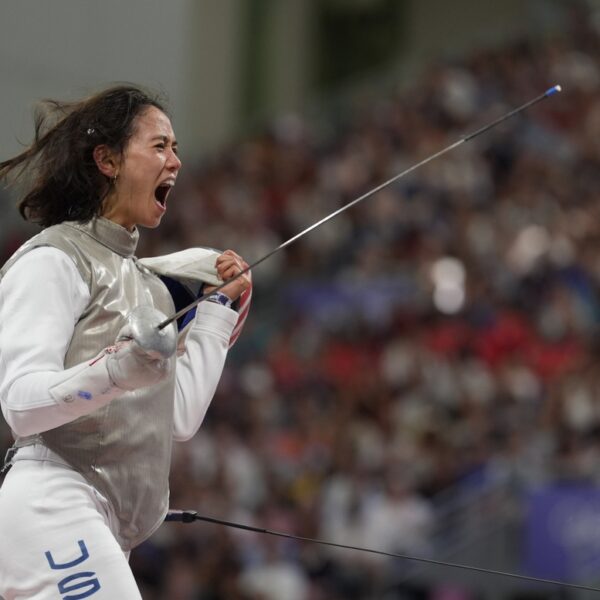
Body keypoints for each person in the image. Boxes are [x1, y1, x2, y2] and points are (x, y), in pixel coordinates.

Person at [0, 85, 251, 598]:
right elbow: (21, 405)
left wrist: (215, 314)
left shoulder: (149, 288)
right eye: (160, 146)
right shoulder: (53, 258)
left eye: (177, 148)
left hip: (107, 532)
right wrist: (117, 369)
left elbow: (177, 419)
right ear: (108, 160)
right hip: (53, 504)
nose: (175, 162)